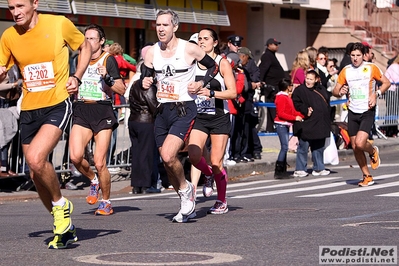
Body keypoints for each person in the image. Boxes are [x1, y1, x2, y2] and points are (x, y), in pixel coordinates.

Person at [0, 0, 92, 249]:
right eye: (11, 8)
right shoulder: (9, 36)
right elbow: (3, 68)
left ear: (34, 4)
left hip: (57, 102)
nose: (16, 12)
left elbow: (84, 45)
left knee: (36, 158)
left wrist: (77, 76)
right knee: (34, 172)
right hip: (29, 107)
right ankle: (64, 223)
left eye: (20, 6)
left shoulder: (58, 23)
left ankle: (61, 205)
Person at [140, 9, 218, 223]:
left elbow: (213, 66)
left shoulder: (189, 49)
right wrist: (145, 81)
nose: (161, 29)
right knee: (167, 162)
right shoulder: (151, 52)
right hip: (162, 110)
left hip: (184, 108)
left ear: (174, 27)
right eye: (158, 25)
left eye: (165, 25)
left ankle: (186, 191)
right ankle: (187, 202)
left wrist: (201, 83)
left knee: (167, 154)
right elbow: (146, 75)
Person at [69, 24, 125, 215]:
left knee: (100, 162)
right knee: (76, 156)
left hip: (102, 110)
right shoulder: (77, 59)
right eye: (86, 38)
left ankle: (106, 202)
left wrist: (107, 78)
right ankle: (93, 180)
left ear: (101, 41)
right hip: (82, 109)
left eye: (93, 38)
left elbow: (121, 89)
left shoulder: (108, 59)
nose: (89, 42)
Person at [187, 28, 236, 214]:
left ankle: (222, 200)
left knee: (216, 162)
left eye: (206, 39)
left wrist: (211, 93)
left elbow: (233, 92)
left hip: (218, 116)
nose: (201, 42)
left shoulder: (222, 63)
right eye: (199, 39)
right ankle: (208, 176)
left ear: (215, 42)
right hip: (198, 116)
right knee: (193, 154)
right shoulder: (191, 63)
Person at [332, 42, 391, 187]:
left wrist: (376, 94)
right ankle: (367, 175)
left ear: (363, 55)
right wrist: (341, 91)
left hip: (367, 110)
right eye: (352, 55)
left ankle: (372, 151)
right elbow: (335, 91)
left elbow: (386, 83)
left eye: (358, 55)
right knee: (355, 146)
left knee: (360, 142)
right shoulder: (346, 70)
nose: (355, 58)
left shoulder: (371, 68)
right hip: (353, 110)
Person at [128, 43, 160, 194]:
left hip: (134, 120)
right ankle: (147, 185)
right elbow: (154, 106)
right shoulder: (149, 87)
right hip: (146, 121)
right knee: (147, 154)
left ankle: (136, 185)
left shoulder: (134, 84)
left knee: (137, 153)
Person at [292, 70, 331, 177]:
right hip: (307, 123)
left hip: (320, 123)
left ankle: (318, 168)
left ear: (316, 80)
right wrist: (305, 110)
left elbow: (327, 101)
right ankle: (300, 168)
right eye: (307, 78)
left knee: (318, 147)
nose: (308, 81)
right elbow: (295, 103)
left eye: (311, 79)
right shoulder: (300, 90)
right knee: (303, 146)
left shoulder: (321, 89)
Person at [274, 78, 304, 179]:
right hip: (281, 124)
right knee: (284, 147)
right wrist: (294, 118)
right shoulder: (282, 97)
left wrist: (303, 115)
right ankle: (279, 170)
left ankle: (282, 169)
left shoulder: (286, 97)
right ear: (288, 87)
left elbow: (292, 111)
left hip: (285, 124)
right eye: (291, 85)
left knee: (285, 147)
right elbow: (282, 114)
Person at [237, 47, 262, 161]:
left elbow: (256, 78)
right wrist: (250, 84)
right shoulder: (238, 66)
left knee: (248, 126)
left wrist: (252, 84)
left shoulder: (251, 65)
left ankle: (251, 150)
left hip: (247, 100)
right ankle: (243, 151)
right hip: (239, 99)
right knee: (241, 127)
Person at [259, 38, 285, 133]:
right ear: (269, 45)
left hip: (276, 86)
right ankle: (274, 126)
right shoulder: (267, 56)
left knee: (273, 107)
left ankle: (271, 127)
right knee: (273, 107)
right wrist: (261, 81)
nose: (277, 46)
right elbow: (263, 69)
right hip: (271, 87)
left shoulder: (272, 55)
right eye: (275, 44)